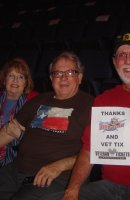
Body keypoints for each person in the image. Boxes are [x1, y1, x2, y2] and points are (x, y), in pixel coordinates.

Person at [53, 31, 130, 200]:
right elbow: (89, 150)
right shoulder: (103, 99)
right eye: (121, 55)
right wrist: (72, 189)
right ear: (114, 62)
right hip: (108, 188)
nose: (127, 61)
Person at [0, 51, 94, 200]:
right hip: (14, 171)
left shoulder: (91, 106)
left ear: (80, 77)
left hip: (55, 177)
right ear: (51, 78)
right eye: (57, 73)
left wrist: (60, 165)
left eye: (70, 72)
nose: (63, 77)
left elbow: (96, 152)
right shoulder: (39, 100)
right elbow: (9, 131)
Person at [0, 57, 39, 167]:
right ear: (4, 80)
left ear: (26, 82)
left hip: (18, 159)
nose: (15, 80)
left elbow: (37, 135)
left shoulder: (34, 101)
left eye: (20, 77)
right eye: (11, 75)